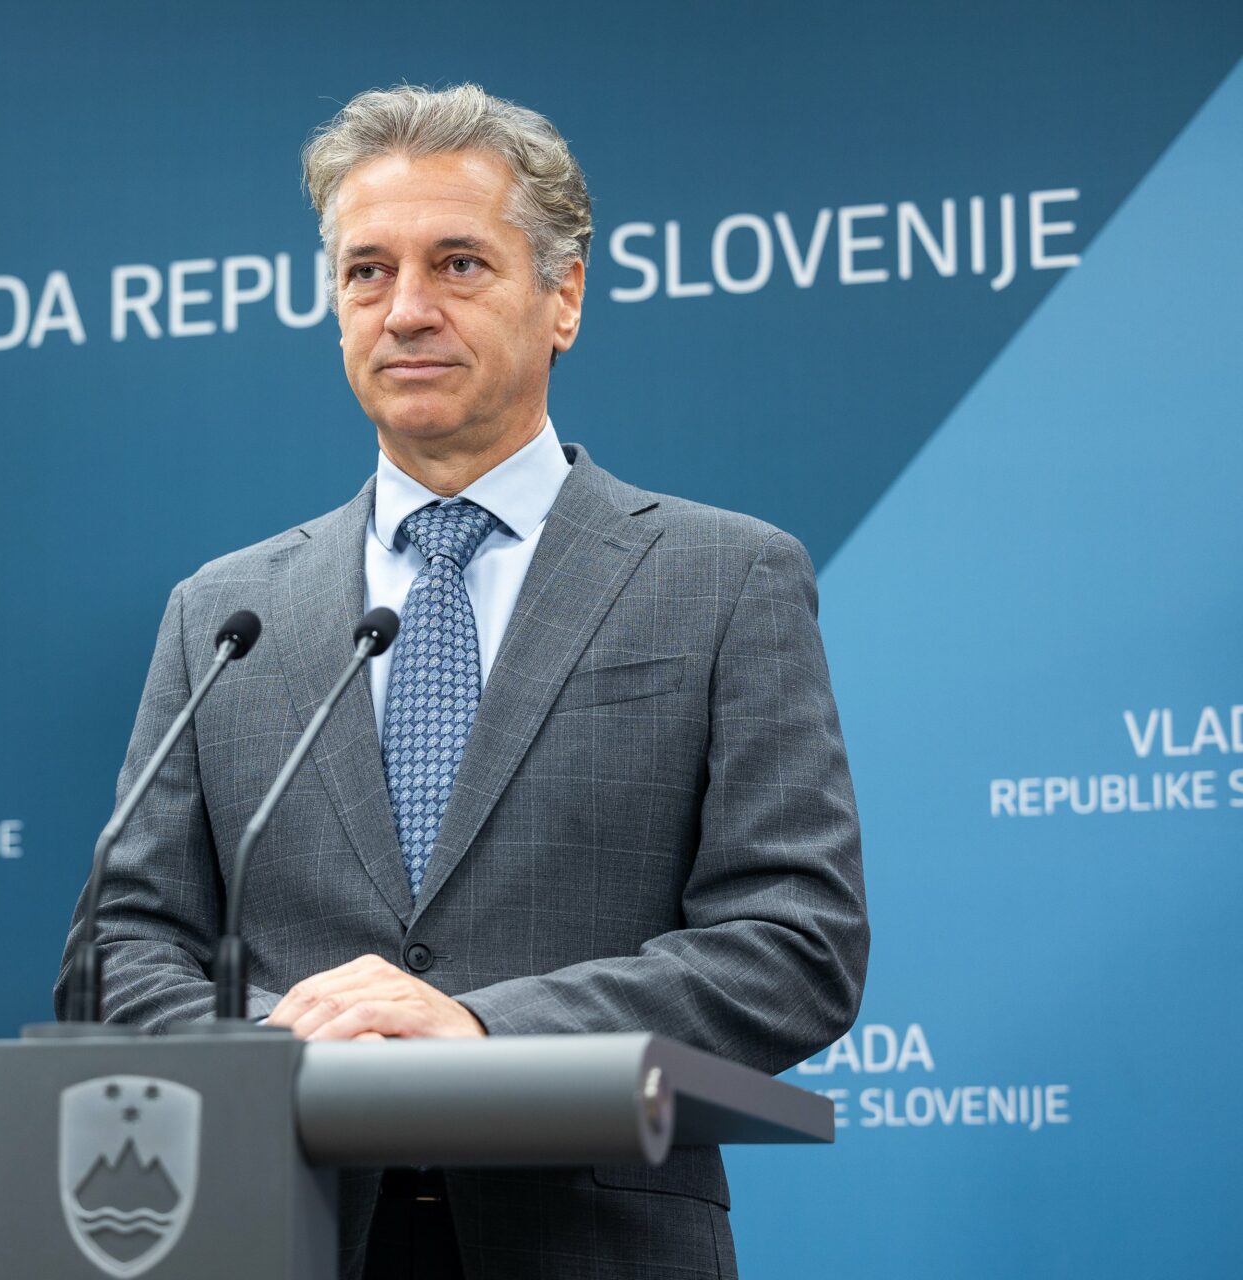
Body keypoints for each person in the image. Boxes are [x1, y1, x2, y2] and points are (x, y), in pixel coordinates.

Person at [55, 83, 869, 1280]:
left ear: (564, 296)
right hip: (278, 1227)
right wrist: (277, 1048)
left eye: (458, 264)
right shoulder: (223, 612)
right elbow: (121, 948)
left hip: (587, 1242)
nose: (406, 310)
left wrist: (485, 1028)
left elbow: (795, 943)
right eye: (367, 271)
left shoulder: (724, 576)